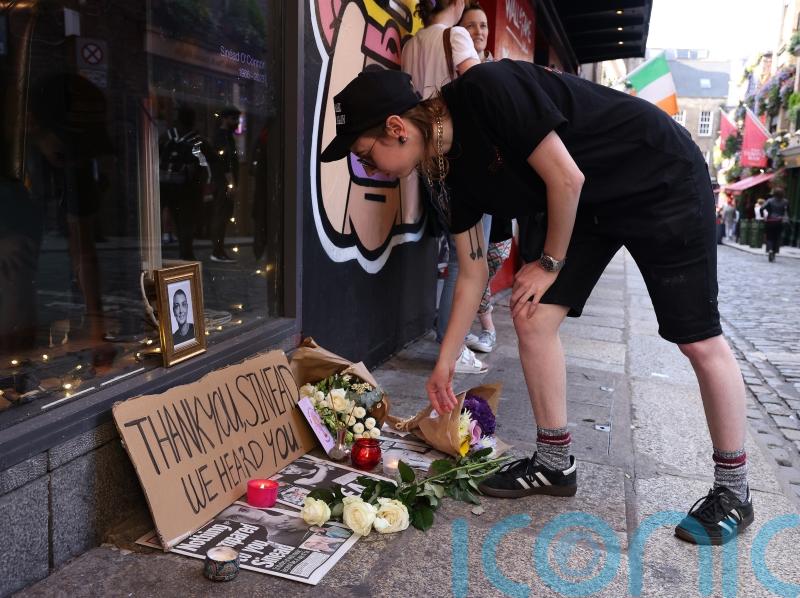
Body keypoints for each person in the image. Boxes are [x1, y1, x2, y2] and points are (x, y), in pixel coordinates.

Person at [320, 63, 754, 546]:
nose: (368, 169)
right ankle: (554, 463)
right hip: (590, 205)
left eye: (364, 156)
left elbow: (565, 178)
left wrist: (549, 262)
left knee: (697, 340)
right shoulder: (441, 172)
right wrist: (444, 365)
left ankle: (734, 490)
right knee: (530, 316)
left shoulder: (487, 91)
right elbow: (472, 272)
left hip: (657, 174)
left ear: (396, 129)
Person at [401, 0, 487, 373]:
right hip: (461, 155)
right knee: (468, 258)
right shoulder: (456, 37)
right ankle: (449, 345)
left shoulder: (411, 44)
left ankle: (448, 339)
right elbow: (483, 94)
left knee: (455, 252)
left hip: (425, 157)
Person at [459, 1, 513, 354]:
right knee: (469, 262)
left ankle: (480, 327)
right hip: (467, 178)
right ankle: (482, 329)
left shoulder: (495, 70)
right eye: (471, 26)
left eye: (483, 25)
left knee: (495, 252)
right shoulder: (459, 72)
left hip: (499, 179)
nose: (479, 31)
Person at [159, 105, 210, 261]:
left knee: (169, 214)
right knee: (185, 223)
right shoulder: (197, 140)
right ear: (193, 120)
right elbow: (206, 162)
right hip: (187, 188)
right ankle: (186, 254)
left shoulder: (166, 136)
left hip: (165, 184)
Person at [209, 106, 241, 263]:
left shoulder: (227, 136)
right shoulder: (221, 137)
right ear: (225, 118)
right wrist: (231, 183)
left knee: (223, 216)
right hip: (222, 183)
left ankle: (219, 249)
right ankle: (217, 250)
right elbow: (224, 161)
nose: (236, 122)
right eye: (234, 119)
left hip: (224, 183)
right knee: (221, 216)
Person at [763, 187, 789, 262]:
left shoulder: (770, 200)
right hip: (780, 222)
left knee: (769, 237)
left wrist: (763, 216)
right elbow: (788, 211)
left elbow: (762, 208)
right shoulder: (785, 201)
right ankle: (774, 253)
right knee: (777, 237)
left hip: (770, 221)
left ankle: (770, 250)